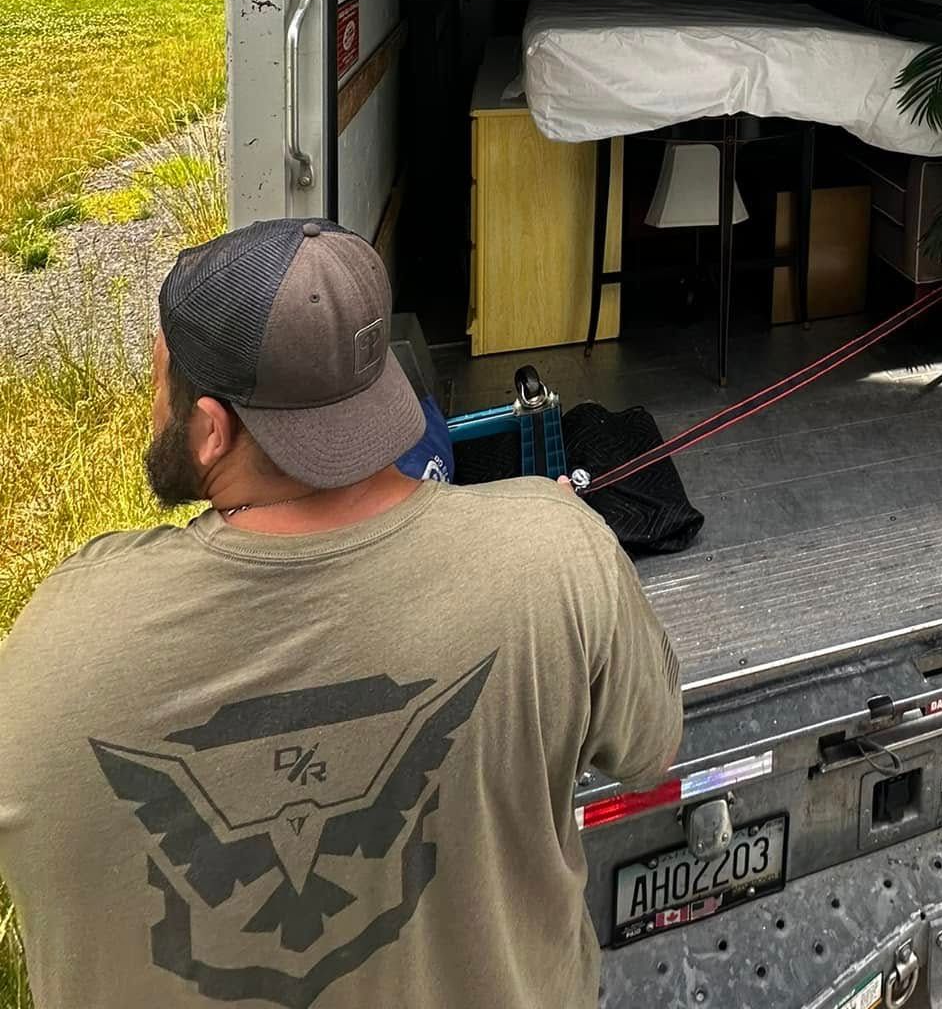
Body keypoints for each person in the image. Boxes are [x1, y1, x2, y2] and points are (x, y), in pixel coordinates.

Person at [0, 218, 682, 1009]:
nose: (155, 404)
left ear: (213, 431)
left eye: (161, 380)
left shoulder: (61, 635)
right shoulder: (557, 551)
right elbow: (649, 746)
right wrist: (550, 541)